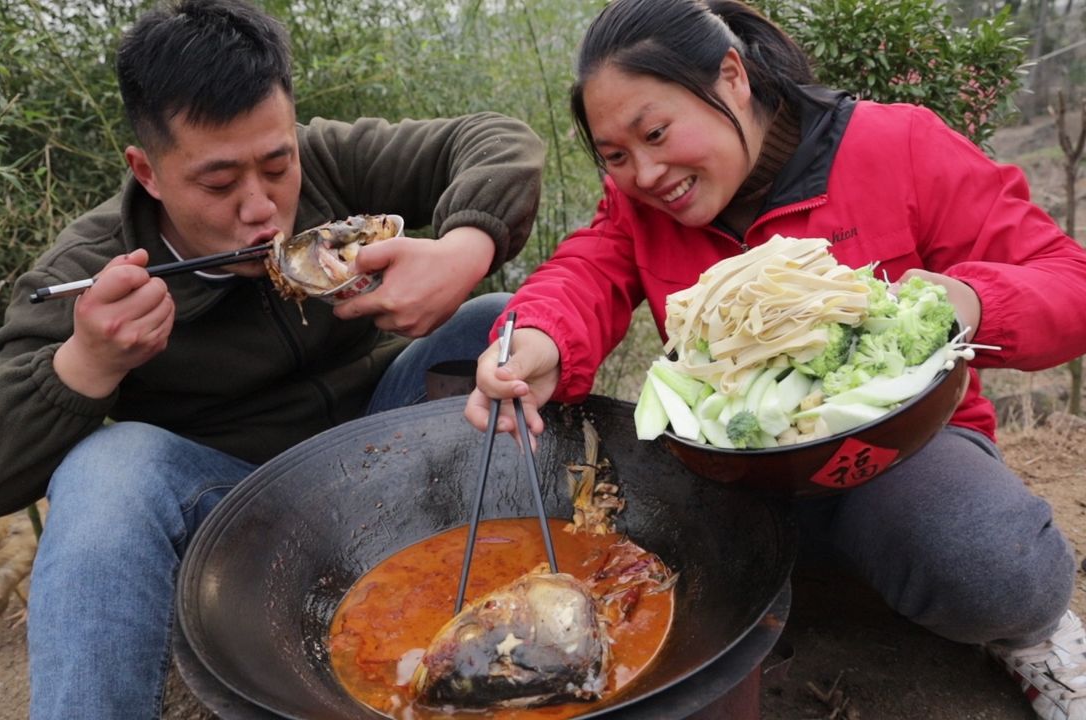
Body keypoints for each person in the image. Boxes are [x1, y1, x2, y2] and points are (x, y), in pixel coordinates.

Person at [463, 0, 1086, 717]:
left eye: (657, 132)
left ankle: (1035, 639)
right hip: (734, 465)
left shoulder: (896, 146)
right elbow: (585, 273)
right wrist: (536, 338)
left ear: (732, 77)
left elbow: (1067, 280)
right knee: (598, 510)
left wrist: (970, 302)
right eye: (616, 157)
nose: (646, 172)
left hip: (891, 457)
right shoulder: (638, 206)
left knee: (985, 557)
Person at [0, 0, 543, 716]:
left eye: (277, 165)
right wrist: (86, 364)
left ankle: (530, 585)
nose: (262, 209)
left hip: (381, 438)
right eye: (220, 184)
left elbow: (498, 141)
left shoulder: (328, 164)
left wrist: (464, 249)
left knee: (496, 318)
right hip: (239, 507)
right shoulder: (94, 266)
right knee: (107, 468)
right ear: (148, 171)